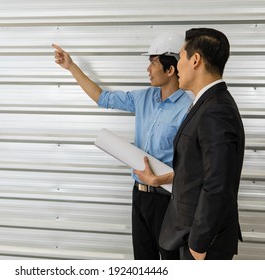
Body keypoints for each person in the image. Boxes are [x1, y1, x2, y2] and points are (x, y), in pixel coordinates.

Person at [52, 32, 193, 260]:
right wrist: (71, 66)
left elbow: (193, 167)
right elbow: (102, 98)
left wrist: (161, 180)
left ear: (171, 70)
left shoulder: (189, 109)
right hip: (139, 195)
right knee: (143, 261)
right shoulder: (144, 98)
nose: (148, 69)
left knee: (171, 261)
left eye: (152, 62)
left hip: (168, 200)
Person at [158, 28, 245, 260]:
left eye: (180, 57)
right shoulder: (206, 103)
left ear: (195, 60)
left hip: (202, 242)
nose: (177, 66)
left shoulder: (216, 109)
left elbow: (218, 183)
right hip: (185, 233)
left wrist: (199, 243)